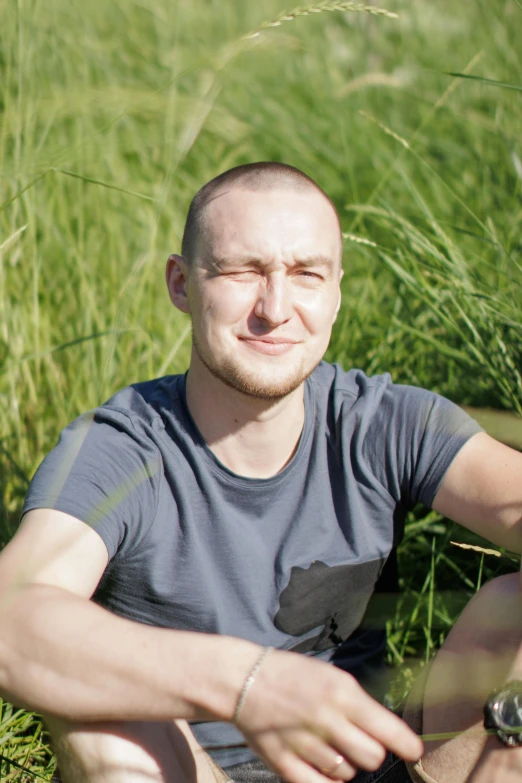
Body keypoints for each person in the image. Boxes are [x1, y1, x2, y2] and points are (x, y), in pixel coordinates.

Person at [0, 162, 521, 783]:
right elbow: (11, 617)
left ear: (335, 293)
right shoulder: (121, 449)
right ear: (181, 283)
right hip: (191, 768)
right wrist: (248, 686)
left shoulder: (383, 422)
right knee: (108, 729)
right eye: (242, 271)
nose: (275, 309)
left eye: (306, 275)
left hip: (371, 763)